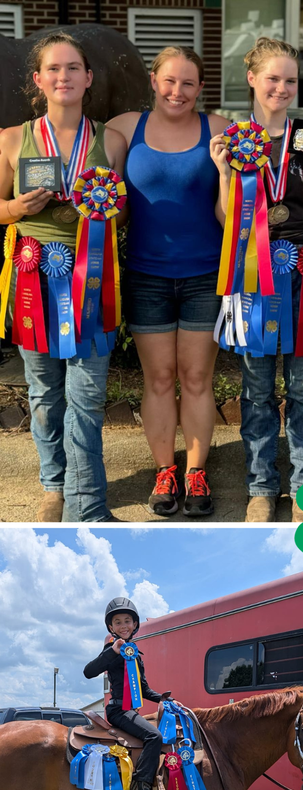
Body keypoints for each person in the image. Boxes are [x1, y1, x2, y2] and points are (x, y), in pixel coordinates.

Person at [210, 37, 303, 523]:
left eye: (290, 80)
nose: (282, 88)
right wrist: (224, 171)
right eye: (273, 78)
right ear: (252, 79)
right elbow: (228, 221)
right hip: (254, 279)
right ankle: (262, 488)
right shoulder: (235, 143)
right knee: (257, 389)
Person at [0, 32, 127, 522]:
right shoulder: (14, 139)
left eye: (73, 68)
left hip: (92, 282)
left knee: (88, 394)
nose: (64, 76)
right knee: (46, 394)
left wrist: (108, 208)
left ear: (89, 77)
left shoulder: (110, 141)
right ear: (38, 79)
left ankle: (86, 502)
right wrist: (15, 206)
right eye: (54, 69)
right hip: (34, 278)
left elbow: (128, 210)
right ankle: (54, 485)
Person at [107, 48, 230, 518]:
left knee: (197, 378)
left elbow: (241, 204)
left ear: (200, 88)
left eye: (188, 84)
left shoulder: (220, 132)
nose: (177, 92)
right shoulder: (122, 129)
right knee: (159, 379)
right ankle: (165, 470)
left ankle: (196, 471)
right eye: (169, 81)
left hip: (204, 275)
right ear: (154, 81)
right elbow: (110, 205)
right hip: (146, 276)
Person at [83, 598, 163, 790]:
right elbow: (88, 672)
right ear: (111, 628)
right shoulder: (112, 650)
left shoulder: (136, 655)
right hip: (118, 711)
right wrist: (112, 652)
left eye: (127, 621)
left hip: (131, 711)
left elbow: (144, 690)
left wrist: (166, 700)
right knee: (154, 737)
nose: (123, 626)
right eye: (118, 622)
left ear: (135, 624)